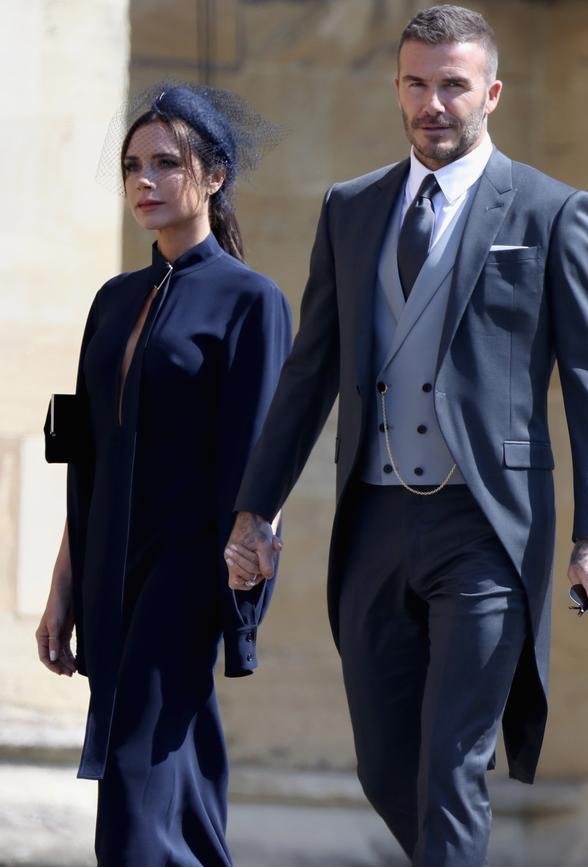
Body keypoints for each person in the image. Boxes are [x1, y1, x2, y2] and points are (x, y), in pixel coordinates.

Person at [224, 5, 588, 866]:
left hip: (487, 525)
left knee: (453, 763)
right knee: (384, 764)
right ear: (397, 87)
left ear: (492, 92)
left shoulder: (555, 211)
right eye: (417, 83)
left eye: (453, 85)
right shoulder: (350, 208)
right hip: (373, 521)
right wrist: (254, 510)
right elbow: (308, 374)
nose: (433, 103)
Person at [36, 83, 291, 866]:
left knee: (138, 782)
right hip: (111, 575)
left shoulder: (253, 301)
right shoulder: (113, 301)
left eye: (165, 164)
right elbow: (82, 452)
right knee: (168, 791)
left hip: (186, 574)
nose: (144, 181)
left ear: (212, 177)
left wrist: (251, 558)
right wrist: (61, 589)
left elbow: (263, 460)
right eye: (131, 166)